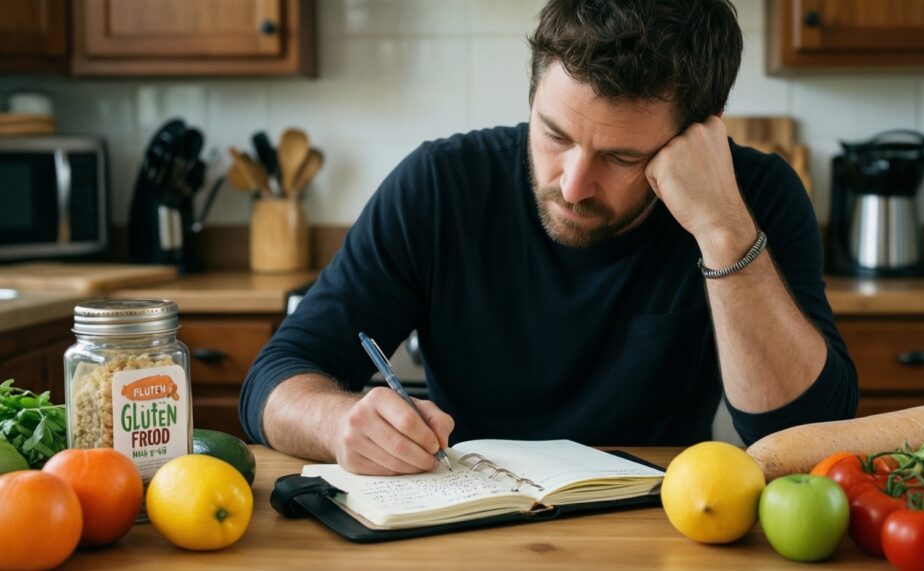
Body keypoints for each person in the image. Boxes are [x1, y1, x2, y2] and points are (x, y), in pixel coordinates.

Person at [240, 0, 858, 476]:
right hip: (469, 520)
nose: (573, 185)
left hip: (664, 532)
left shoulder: (753, 197)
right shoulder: (440, 184)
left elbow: (809, 435)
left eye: (621, 156)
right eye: (556, 134)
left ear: (697, 138)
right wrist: (341, 420)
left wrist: (723, 231)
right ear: (533, 94)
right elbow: (275, 378)